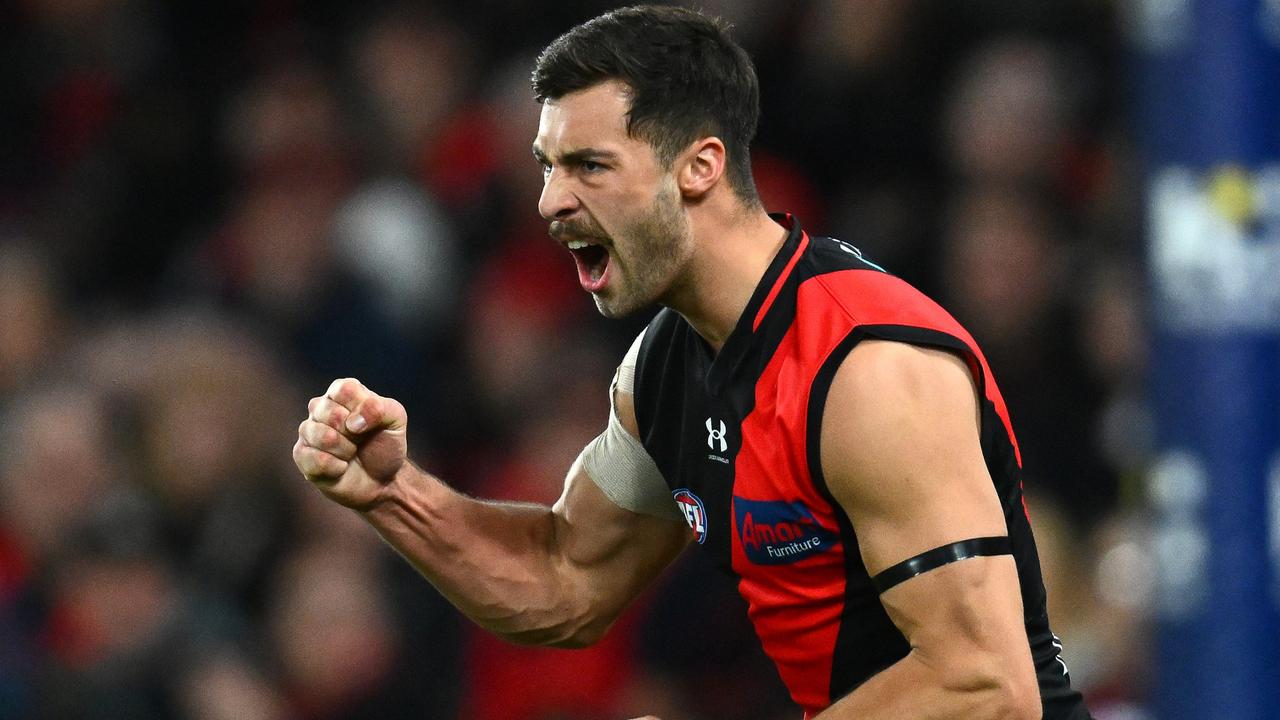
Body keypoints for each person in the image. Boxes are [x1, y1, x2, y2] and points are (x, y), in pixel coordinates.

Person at [292, 6, 1092, 718]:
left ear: (700, 167)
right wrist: (392, 495)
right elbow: (566, 583)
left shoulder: (865, 368)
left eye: (589, 166)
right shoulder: (667, 369)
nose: (548, 202)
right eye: (547, 166)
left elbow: (986, 686)